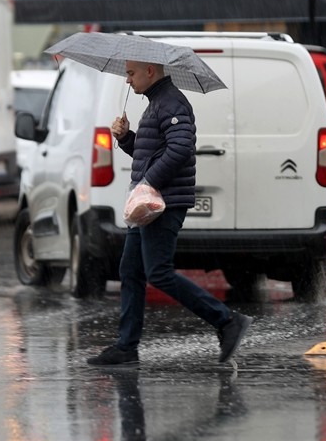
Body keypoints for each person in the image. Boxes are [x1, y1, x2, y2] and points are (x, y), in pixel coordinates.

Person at [87, 60, 252, 367]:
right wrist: (126, 138)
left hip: (162, 203)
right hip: (147, 202)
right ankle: (126, 347)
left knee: (158, 272)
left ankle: (227, 321)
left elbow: (180, 149)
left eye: (131, 73)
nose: (127, 80)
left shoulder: (172, 101)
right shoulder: (156, 103)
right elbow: (151, 151)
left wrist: (149, 183)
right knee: (130, 271)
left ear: (151, 70)